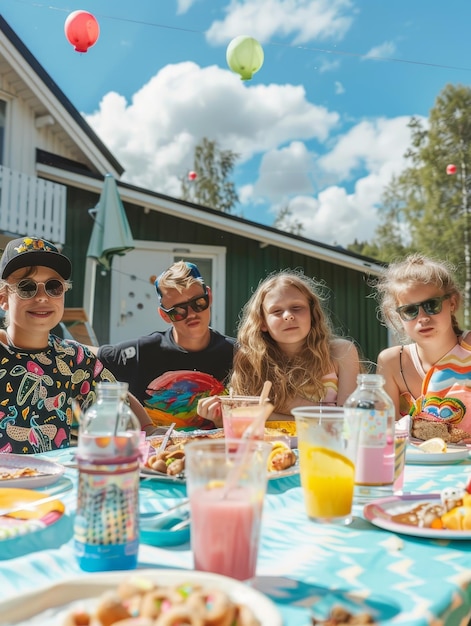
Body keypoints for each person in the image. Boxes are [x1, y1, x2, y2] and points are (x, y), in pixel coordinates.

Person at [0, 236, 153, 454]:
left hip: (53, 482)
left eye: (53, 287)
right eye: (27, 287)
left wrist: (150, 429)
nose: (42, 297)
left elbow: (114, 396)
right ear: (3, 299)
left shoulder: (72, 357)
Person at [200, 268, 360, 427]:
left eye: (297, 308)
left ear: (312, 313)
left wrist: (270, 413)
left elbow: (348, 422)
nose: (288, 315)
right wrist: (220, 419)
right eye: (276, 311)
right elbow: (243, 422)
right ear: (262, 322)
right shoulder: (251, 360)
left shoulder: (340, 352)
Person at [96, 261, 235, 431]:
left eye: (198, 303)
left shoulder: (238, 354)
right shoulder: (141, 352)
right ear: (164, 315)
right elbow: (87, 357)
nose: (191, 314)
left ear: (209, 297)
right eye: (178, 311)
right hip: (155, 456)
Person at [375, 253, 471, 442]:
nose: (423, 318)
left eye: (431, 305)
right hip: (414, 467)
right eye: (410, 310)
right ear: (397, 316)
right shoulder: (392, 362)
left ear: (452, 303)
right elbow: (385, 432)